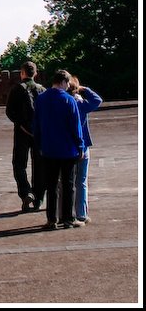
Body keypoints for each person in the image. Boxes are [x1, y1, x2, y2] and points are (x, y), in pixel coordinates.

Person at [34, 69, 85, 230]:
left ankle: (51, 219)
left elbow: (36, 125)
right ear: (63, 82)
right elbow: (76, 127)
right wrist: (80, 145)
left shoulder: (41, 99)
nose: (69, 86)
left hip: (49, 148)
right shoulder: (69, 100)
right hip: (68, 149)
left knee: (51, 185)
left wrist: (40, 144)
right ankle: (68, 219)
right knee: (68, 184)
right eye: (68, 83)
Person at [5, 60, 46, 212]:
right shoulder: (42, 89)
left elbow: (9, 112)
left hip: (22, 132)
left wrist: (20, 123)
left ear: (22, 73)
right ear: (35, 73)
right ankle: (39, 197)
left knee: (19, 164)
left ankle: (26, 192)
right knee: (40, 165)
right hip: (39, 133)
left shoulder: (17, 89)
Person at [69, 76, 102, 224]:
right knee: (81, 181)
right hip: (84, 145)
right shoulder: (81, 103)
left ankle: (68, 212)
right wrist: (84, 89)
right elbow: (97, 100)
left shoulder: (65, 103)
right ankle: (81, 213)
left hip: (67, 146)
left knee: (67, 181)